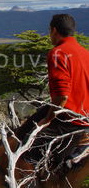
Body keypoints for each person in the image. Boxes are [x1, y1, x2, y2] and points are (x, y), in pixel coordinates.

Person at [36, 13, 89, 167]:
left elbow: (62, 95)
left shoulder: (58, 53)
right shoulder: (86, 53)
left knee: (29, 156)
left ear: (53, 30)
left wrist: (47, 120)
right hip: (86, 117)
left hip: (70, 121)